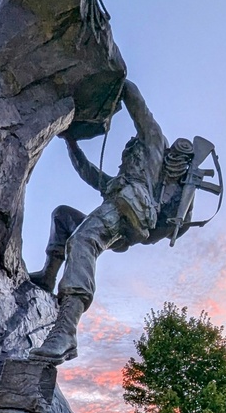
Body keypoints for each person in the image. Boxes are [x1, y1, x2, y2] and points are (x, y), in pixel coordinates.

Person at [30, 80, 195, 361]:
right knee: (64, 216)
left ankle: (66, 331)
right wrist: (71, 143)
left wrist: (115, 82)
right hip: (123, 215)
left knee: (83, 239)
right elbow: (91, 175)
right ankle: (48, 276)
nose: (125, 156)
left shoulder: (153, 145)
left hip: (127, 211)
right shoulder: (123, 181)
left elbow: (137, 104)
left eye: (129, 151)